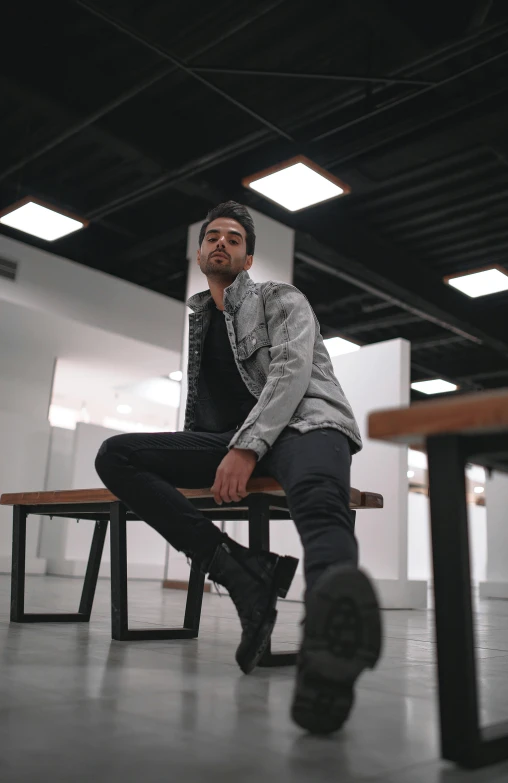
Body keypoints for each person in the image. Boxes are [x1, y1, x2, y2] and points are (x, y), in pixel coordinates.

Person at [95, 201, 382, 734]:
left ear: (247, 259)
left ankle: (327, 650)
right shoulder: (200, 320)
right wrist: (222, 447)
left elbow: (293, 373)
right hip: (232, 439)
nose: (221, 243)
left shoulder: (281, 298)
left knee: (319, 501)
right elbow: (206, 418)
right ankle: (241, 572)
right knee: (117, 454)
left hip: (305, 422)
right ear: (200, 252)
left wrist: (248, 447)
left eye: (233, 238)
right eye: (212, 237)